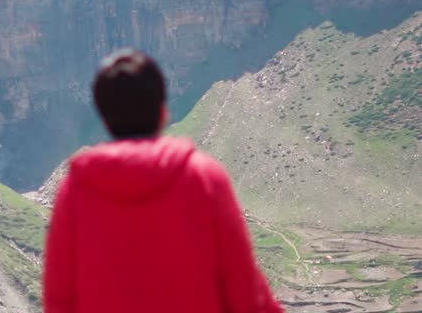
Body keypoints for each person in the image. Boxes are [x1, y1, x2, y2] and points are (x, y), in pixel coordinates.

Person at [43, 49, 283, 313]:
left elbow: (59, 300)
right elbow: (244, 293)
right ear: (162, 112)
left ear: (105, 119)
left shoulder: (76, 191)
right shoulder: (204, 178)